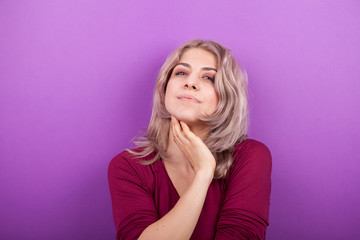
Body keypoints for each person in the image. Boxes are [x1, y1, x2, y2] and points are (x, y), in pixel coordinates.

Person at [108, 39, 272, 240]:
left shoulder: (251, 157)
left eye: (209, 78)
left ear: (227, 97)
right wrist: (203, 175)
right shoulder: (127, 166)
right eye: (181, 73)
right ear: (164, 88)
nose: (190, 83)